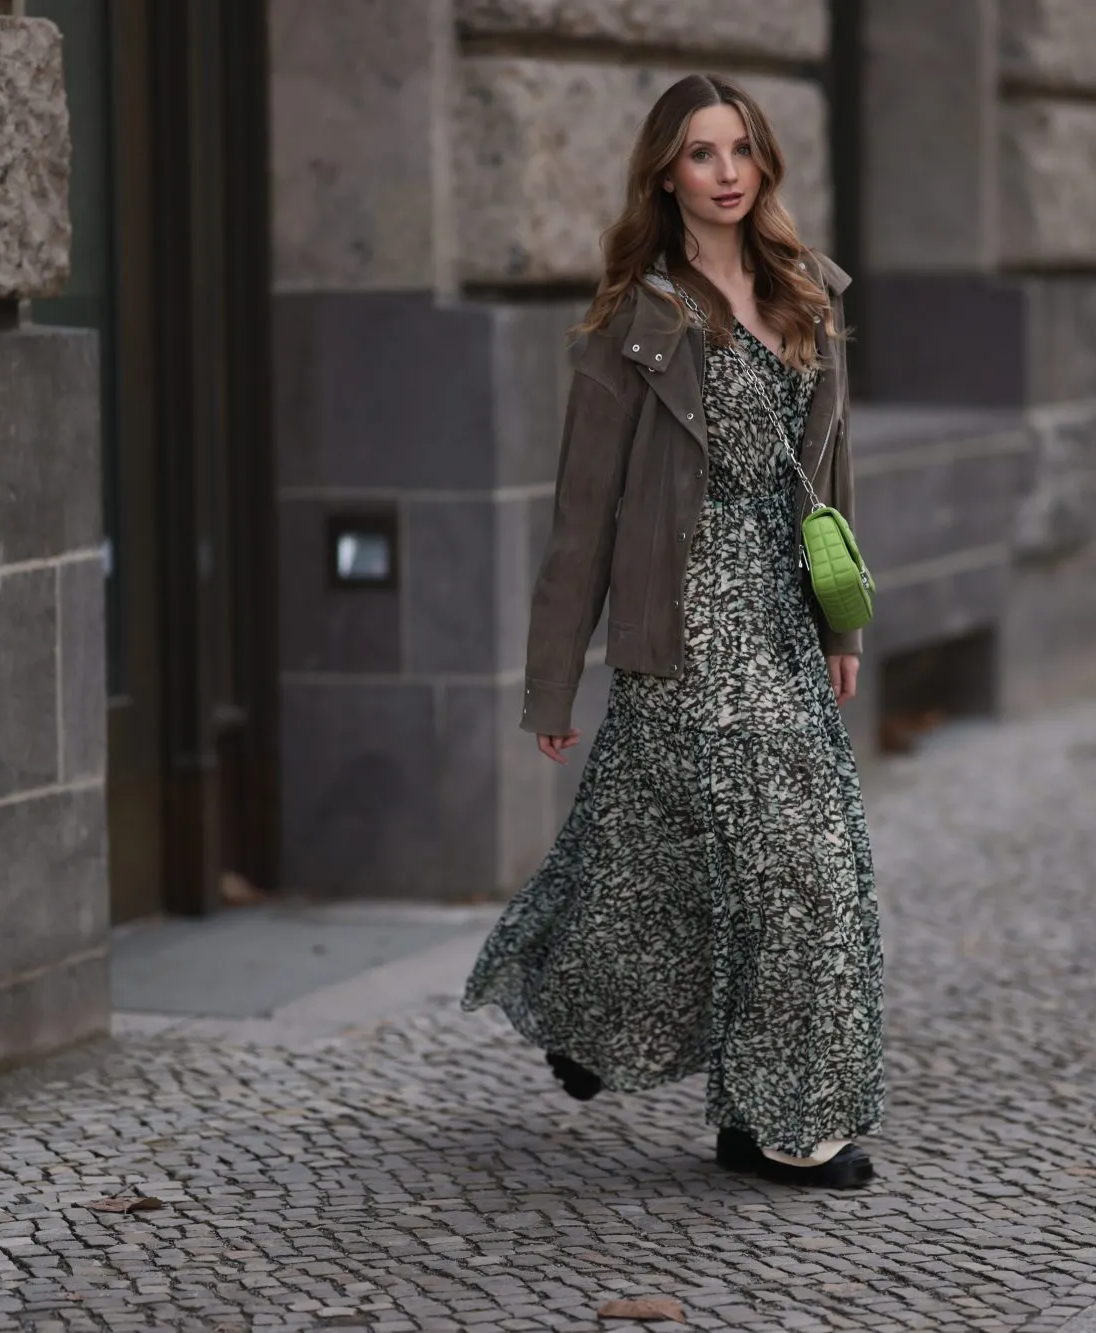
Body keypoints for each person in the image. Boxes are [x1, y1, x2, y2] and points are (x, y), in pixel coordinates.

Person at [461, 72, 885, 1190]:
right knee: (780, 861)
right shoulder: (632, 321)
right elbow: (580, 513)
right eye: (701, 153)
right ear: (665, 172)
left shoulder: (805, 293)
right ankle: (772, 1115)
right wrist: (552, 686)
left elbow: (828, 476)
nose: (727, 171)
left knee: (724, 858)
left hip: (783, 616)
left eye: (741, 148)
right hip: (683, 623)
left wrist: (837, 619)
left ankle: (749, 1110)